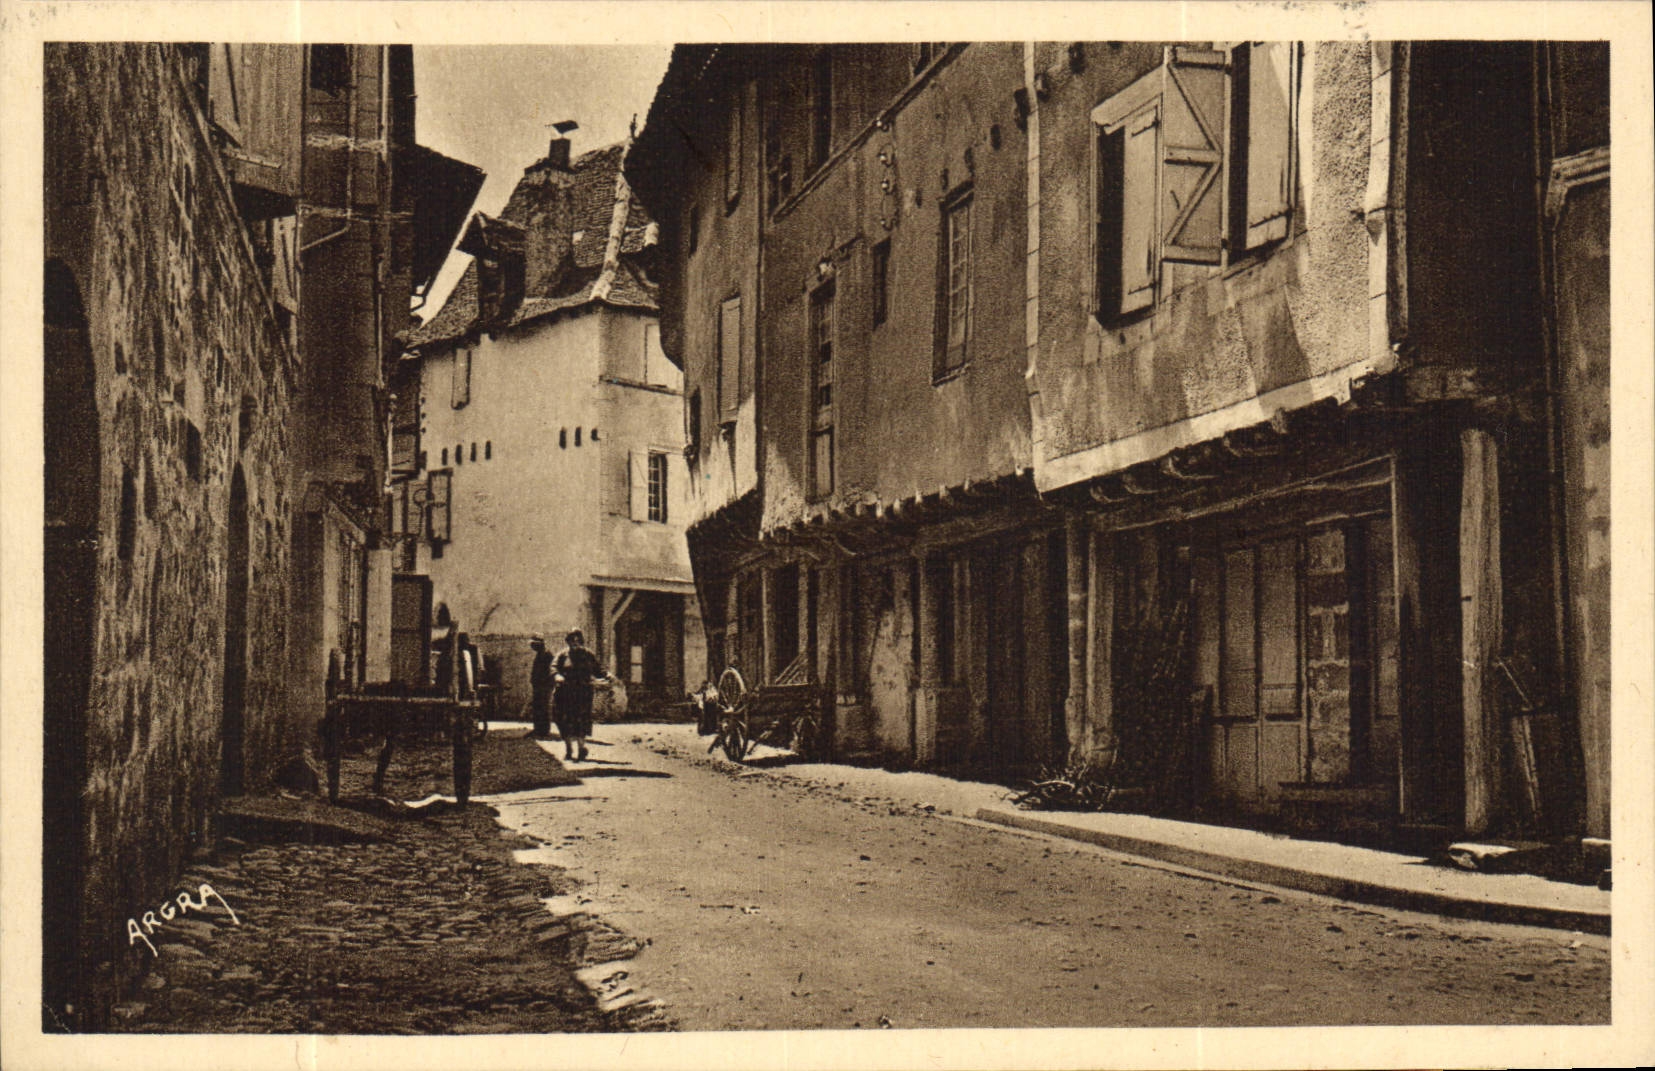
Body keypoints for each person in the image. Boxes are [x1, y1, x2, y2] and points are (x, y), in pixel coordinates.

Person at [551, 628, 610, 761]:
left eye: (578, 640)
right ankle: (568, 749)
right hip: (564, 693)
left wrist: (607, 675)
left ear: (581, 641)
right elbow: (553, 667)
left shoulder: (588, 654)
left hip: (582, 693)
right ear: (568, 641)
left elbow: (598, 669)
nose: (575, 643)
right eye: (572, 640)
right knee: (563, 720)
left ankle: (580, 749)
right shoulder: (562, 655)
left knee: (581, 720)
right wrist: (557, 675)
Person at [528, 635, 554, 738]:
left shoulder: (547, 655)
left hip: (544, 686)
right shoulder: (539, 654)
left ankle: (543, 731)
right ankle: (537, 729)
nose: (532, 646)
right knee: (537, 707)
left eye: (533, 644)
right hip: (538, 686)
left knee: (543, 708)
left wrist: (546, 684)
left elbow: (551, 672)